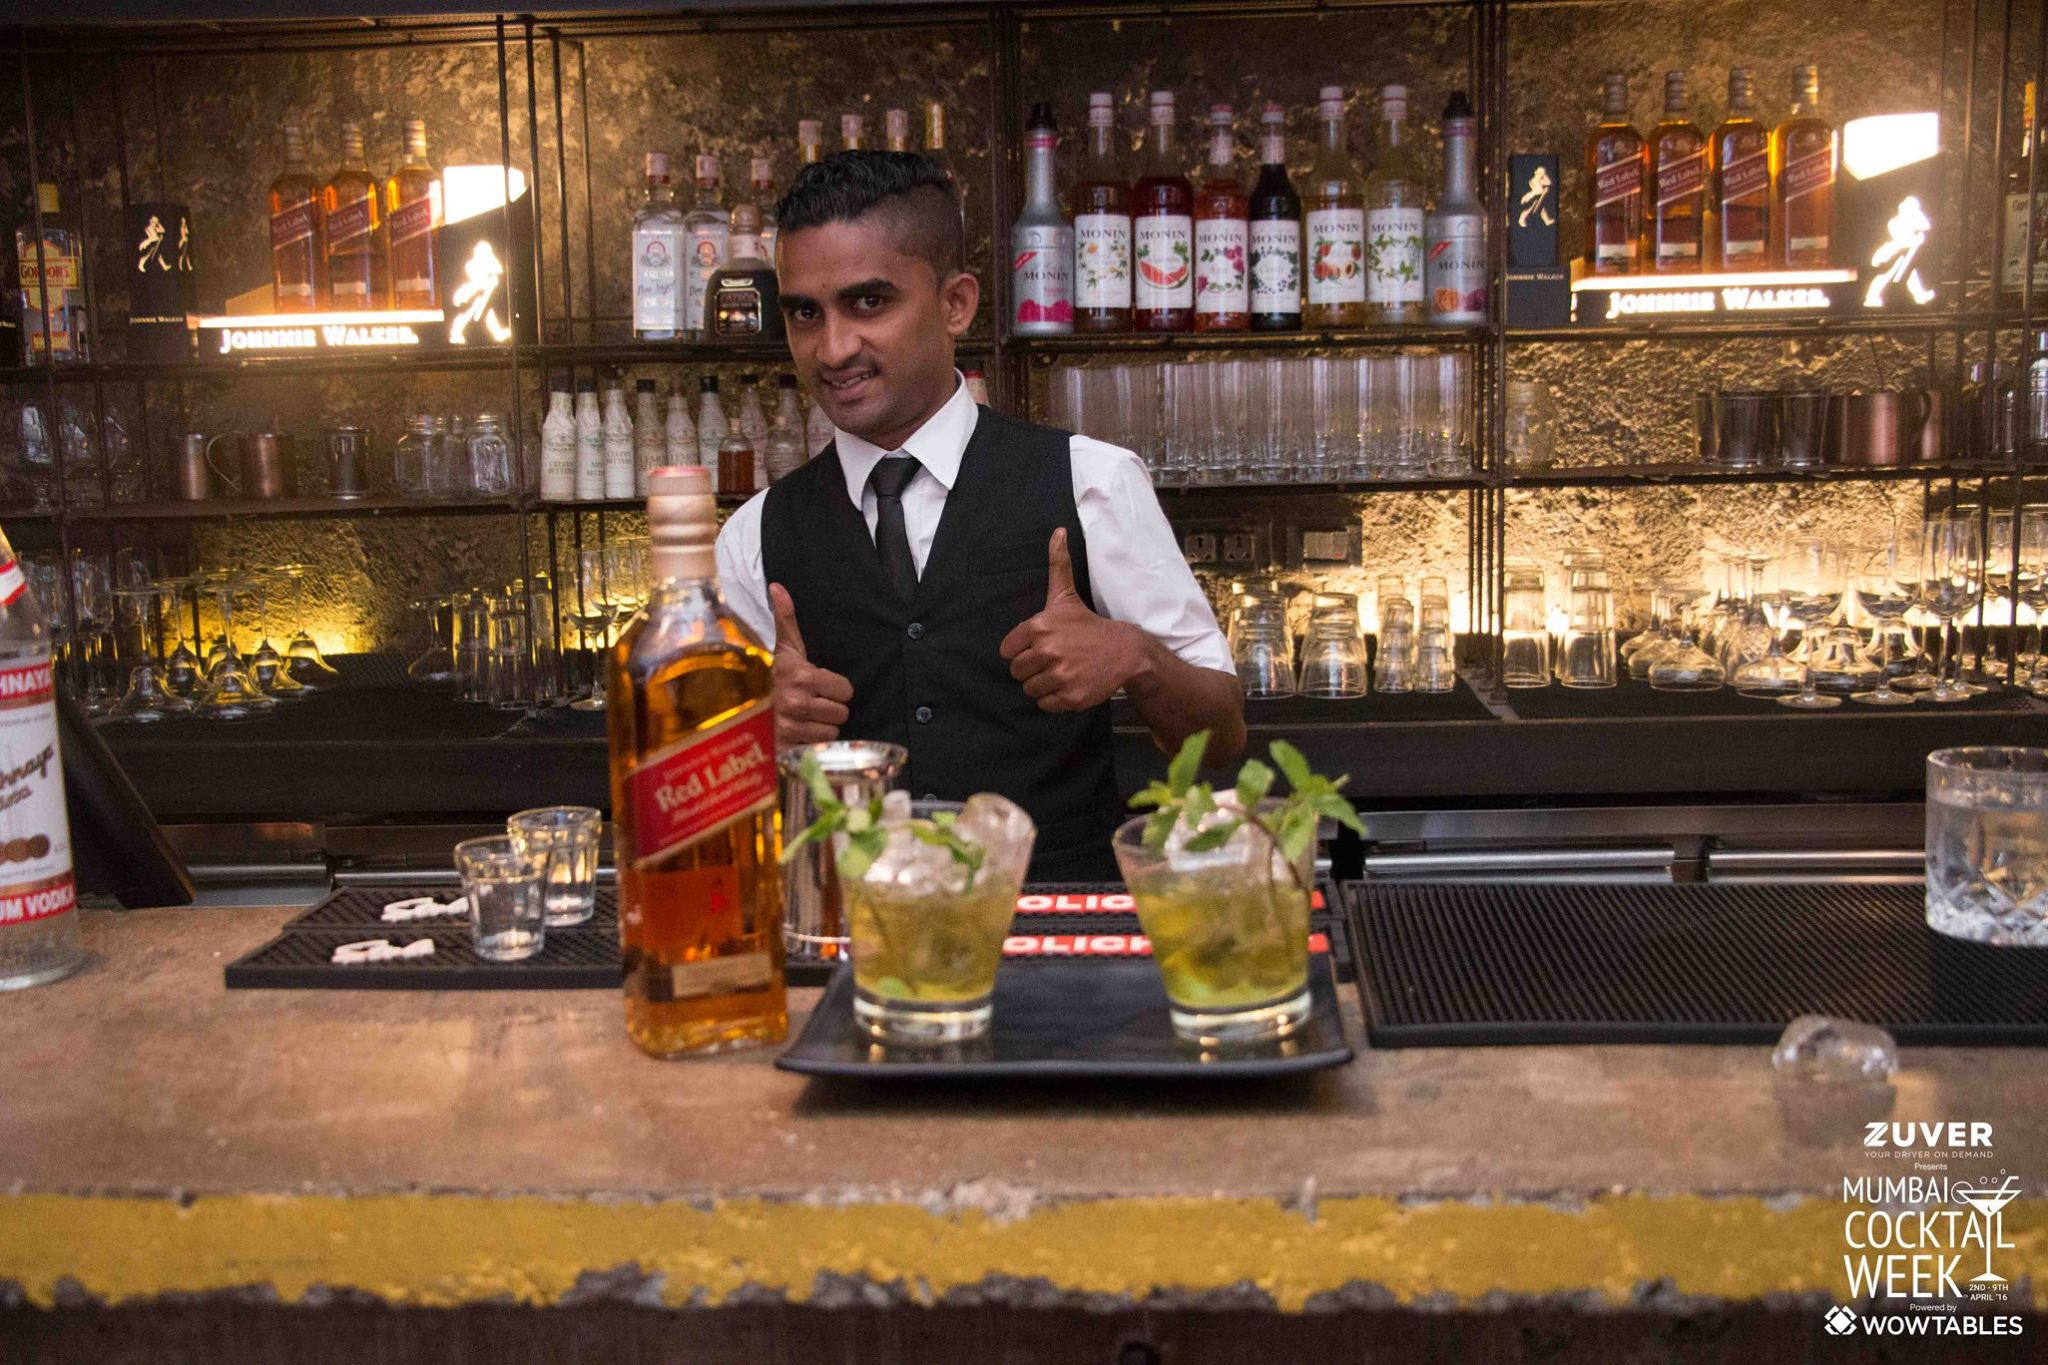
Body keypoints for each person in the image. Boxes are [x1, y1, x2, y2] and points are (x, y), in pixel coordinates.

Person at [715, 151, 1244, 879]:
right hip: (852, 928)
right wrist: (754, 735)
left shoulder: (1091, 481)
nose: (832, 348)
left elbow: (1221, 738)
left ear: (955, 305)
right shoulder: (754, 535)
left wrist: (1137, 655)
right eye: (806, 312)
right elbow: (712, 804)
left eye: (869, 303)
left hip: (1054, 925)